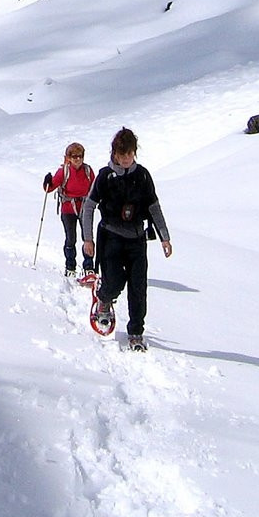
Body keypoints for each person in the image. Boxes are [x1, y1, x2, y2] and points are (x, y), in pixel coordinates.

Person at [82, 128, 172, 351]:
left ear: (134, 153)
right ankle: (104, 298)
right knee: (114, 281)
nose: (125, 159)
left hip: (137, 240)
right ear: (114, 153)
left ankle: (136, 332)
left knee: (138, 288)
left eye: (129, 154)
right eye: (121, 154)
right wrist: (87, 239)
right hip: (110, 238)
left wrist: (165, 237)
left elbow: (154, 207)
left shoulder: (142, 176)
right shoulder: (104, 176)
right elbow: (89, 207)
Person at [43, 143, 97, 280]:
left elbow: (96, 187)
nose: (77, 159)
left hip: (85, 208)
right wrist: (47, 182)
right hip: (68, 208)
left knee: (87, 237)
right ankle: (70, 266)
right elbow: (49, 188)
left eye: (80, 156)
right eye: (74, 157)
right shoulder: (64, 171)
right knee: (71, 238)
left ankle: (88, 267)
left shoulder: (87, 171)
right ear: (69, 158)